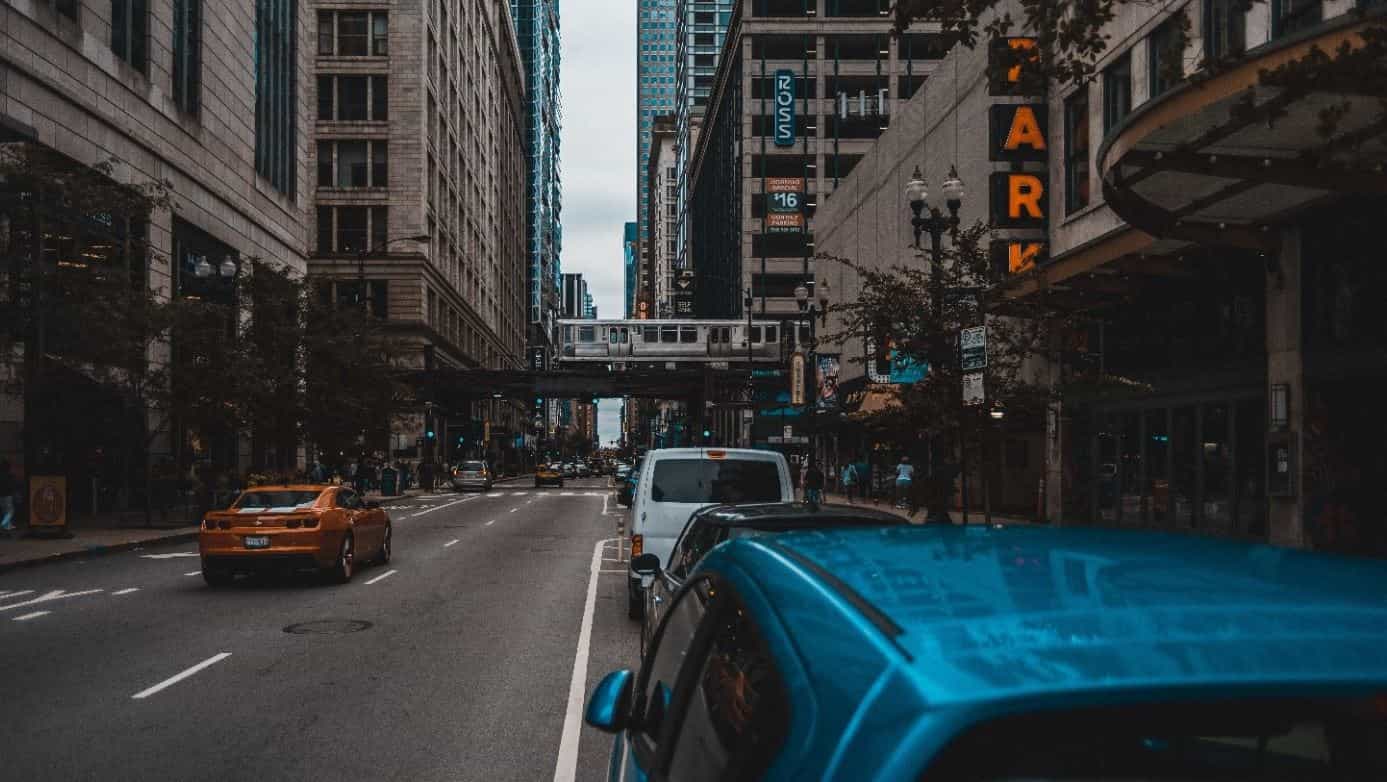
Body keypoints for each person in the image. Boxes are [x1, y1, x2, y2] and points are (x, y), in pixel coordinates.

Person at [0, 459, 17, 536]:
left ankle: (6, 529)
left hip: (1, 496)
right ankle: (4, 526)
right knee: (9, 512)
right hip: (7, 496)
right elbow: (12, 485)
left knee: (4, 513)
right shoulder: (9, 475)